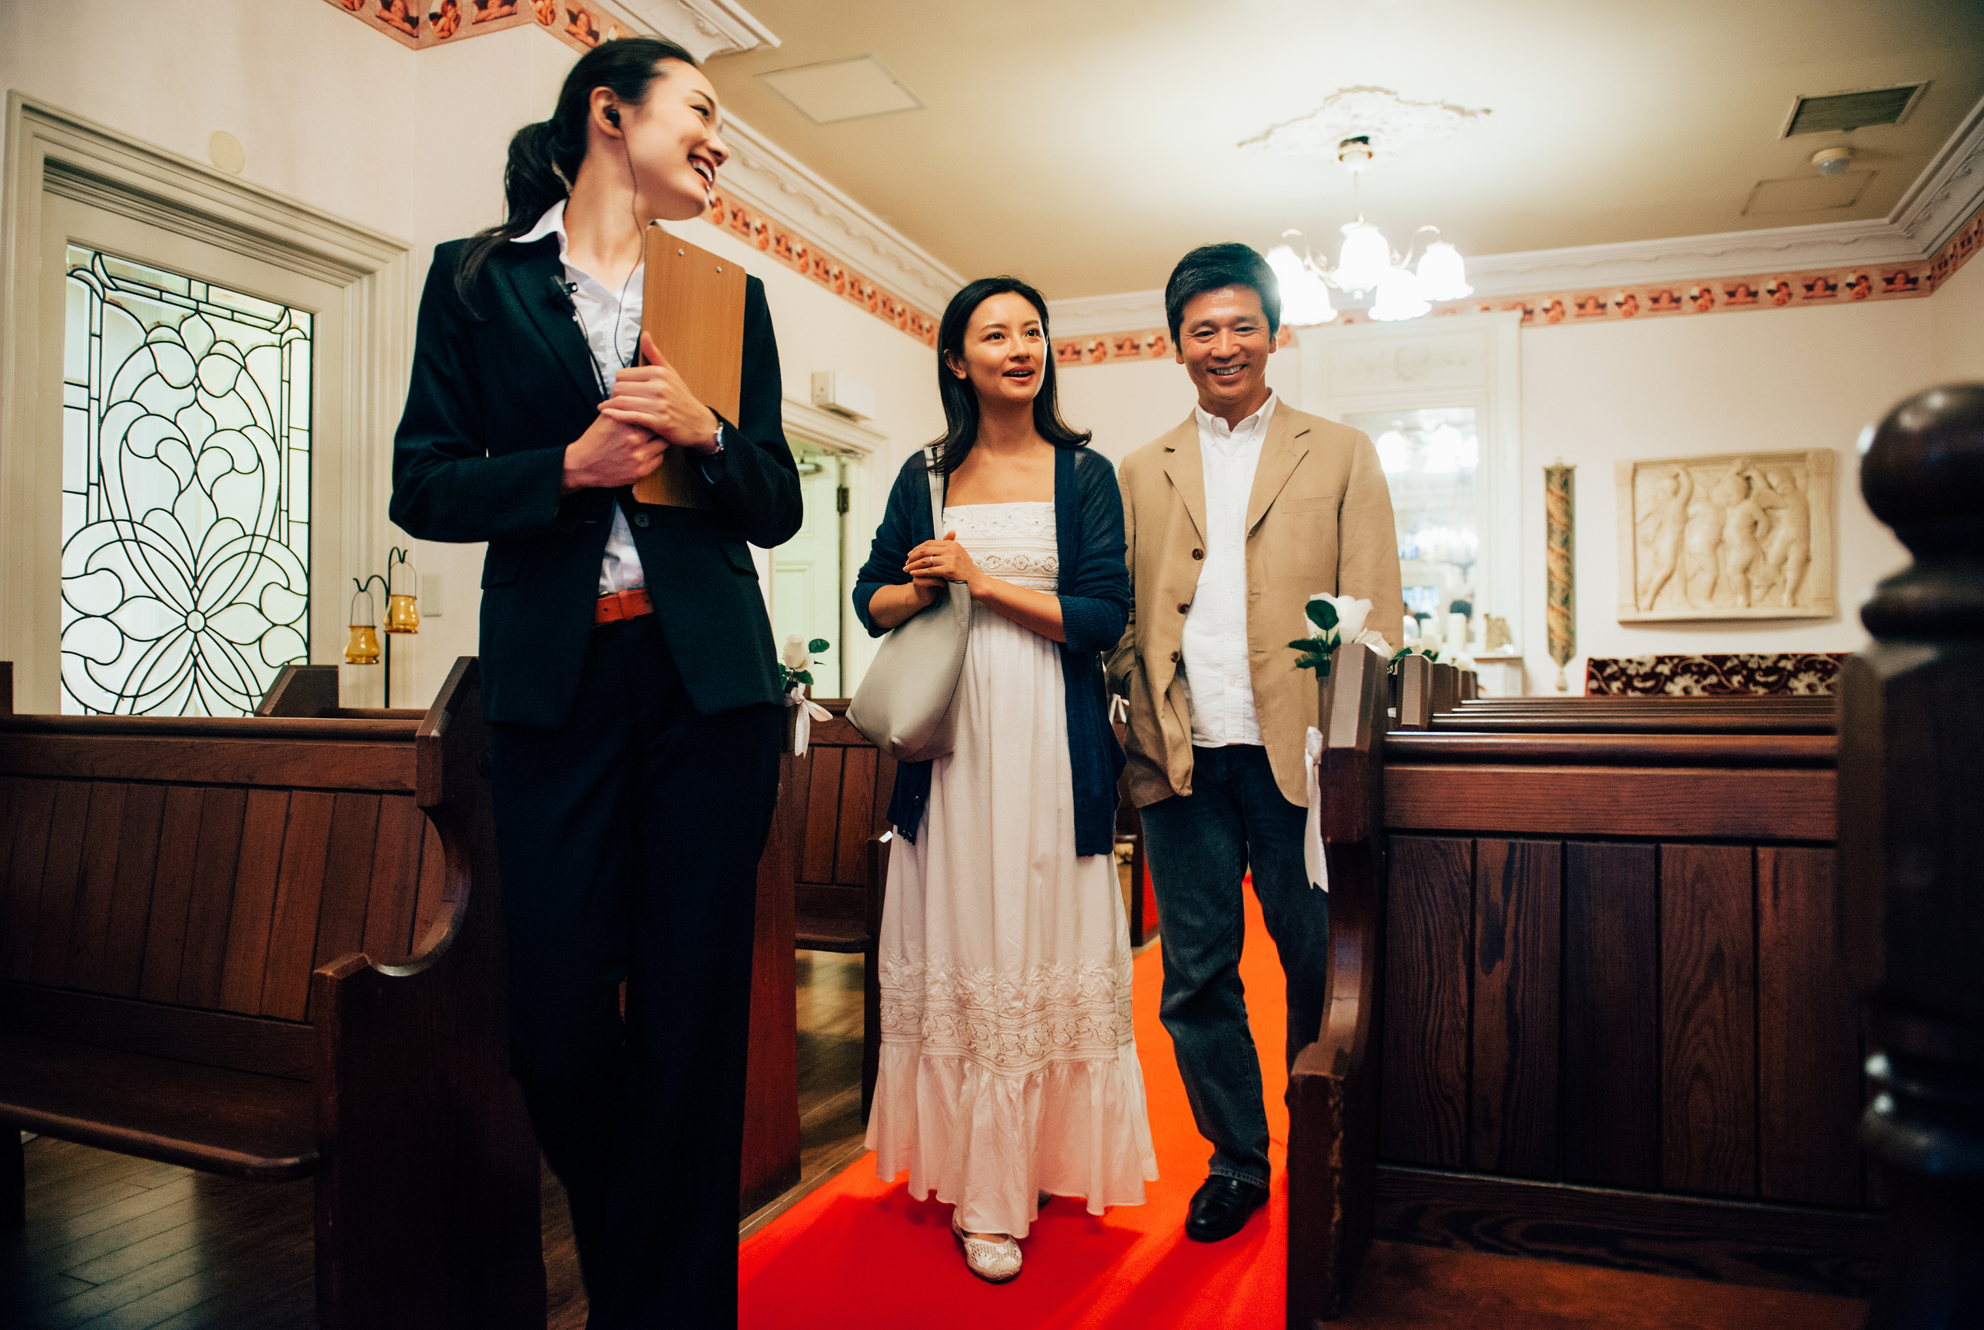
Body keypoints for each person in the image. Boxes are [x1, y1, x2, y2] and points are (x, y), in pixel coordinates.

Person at [387, 37, 799, 1328]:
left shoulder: (726, 298)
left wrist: (708, 433)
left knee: (690, 1033)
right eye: (702, 109)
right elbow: (422, 484)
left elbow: (776, 503)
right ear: (608, 113)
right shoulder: (474, 281)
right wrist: (566, 465)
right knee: (556, 1033)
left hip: (709, 692)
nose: (721, 139)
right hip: (554, 686)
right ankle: (647, 1285)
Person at [854, 276, 1155, 1283]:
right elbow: (869, 598)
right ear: (956, 359)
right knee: (964, 935)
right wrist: (923, 585)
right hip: (952, 743)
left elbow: (1104, 616)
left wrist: (984, 582)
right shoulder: (924, 472)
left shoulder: (1084, 473)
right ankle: (977, 1184)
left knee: (1039, 937)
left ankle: (1035, 1159)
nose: (1020, 347)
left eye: (1032, 330)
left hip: (1051, 741)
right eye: (995, 334)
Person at [1106, 243, 1401, 1243]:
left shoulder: (1342, 452)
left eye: (1242, 325)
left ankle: (1322, 1136)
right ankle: (1236, 1160)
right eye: (1203, 329)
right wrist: (1131, 697)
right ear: (1175, 344)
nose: (1223, 344)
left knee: (1318, 961)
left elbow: (1376, 616)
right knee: (1194, 975)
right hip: (1180, 756)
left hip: (1302, 760)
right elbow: (1121, 613)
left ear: (1276, 335)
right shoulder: (1138, 470)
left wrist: (1352, 752)